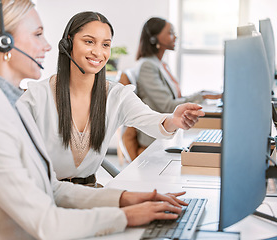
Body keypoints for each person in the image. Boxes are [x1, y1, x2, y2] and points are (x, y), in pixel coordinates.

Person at [0, 1, 192, 239]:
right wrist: (125, 215)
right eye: (38, 34)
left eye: (105, 44)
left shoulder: (12, 105)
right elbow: (47, 223)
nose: (49, 46)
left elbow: (50, 187)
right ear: (4, 42)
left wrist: (127, 198)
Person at [18, 11, 205, 187]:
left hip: (91, 195)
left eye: (105, 44)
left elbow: (151, 120)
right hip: (42, 195)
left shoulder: (116, 95)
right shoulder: (37, 95)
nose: (98, 53)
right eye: (89, 42)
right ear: (68, 43)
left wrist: (174, 119)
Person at [120, 17, 222, 158]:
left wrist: (202, 94)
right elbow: (168, 105)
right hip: (156, 136)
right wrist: (201, 96)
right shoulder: (147, 66)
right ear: (154, 39)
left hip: (169, 131)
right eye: (170, 33)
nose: (175, 36)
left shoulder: (162, 64)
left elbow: (175, 99)